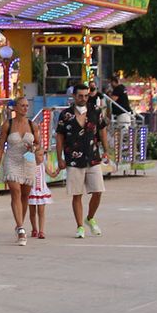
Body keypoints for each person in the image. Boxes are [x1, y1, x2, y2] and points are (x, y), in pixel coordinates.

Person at [57, 82, 109, 237]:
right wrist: (59, 158)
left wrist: (106, 150)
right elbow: (59, 136)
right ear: (74, 96)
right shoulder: (65, 114)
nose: (83, 98)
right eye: (80, 96)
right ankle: (80, 226)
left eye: (86, 95)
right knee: (77, 193)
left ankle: (90, 218)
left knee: (98, 191)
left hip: (93, 157)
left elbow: (102, 131)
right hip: (73, 159)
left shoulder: (95, 111)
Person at [0, 95, 42, 245]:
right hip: (12, 160)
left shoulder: (32, 125)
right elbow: (1, 146)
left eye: (27, 106)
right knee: (15, 191)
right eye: (22, 105)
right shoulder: (8, 124)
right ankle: (21, 229)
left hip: (28, 162)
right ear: (15, 107)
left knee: (25, 196)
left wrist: (34, 147)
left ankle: (19, 222)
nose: (25, 108)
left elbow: (39, 144)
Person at [27, 157, 50, 240]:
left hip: (41, 191)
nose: (42, 157)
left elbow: (51, 173)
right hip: (31, 191)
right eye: (39, 155)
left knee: (41, 212)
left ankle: (41, 231)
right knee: (32, 213)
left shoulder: (43, 163)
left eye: (42, 154)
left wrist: (58, 170)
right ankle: (34, 229)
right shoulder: (29, 162)